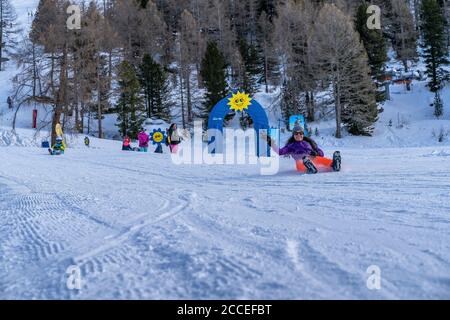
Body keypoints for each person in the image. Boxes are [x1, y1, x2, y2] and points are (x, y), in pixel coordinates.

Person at [263, 126, 341, 174]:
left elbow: (321, 153)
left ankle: (334, 165)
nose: (298, 135)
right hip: (300, 162)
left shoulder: (309, 143)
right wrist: (270, 142)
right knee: (302, 162)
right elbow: (279, 152)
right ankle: (309, 168)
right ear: (293, 135)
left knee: (321, 159)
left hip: (312, 159)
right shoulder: (291, 146)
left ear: (303, 134)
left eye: (300, 133)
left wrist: (316, 152)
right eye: (296, 134)